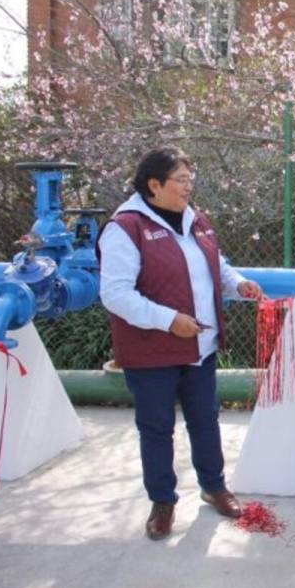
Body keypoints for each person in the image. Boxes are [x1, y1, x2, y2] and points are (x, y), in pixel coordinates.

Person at [98, 146, 262, 540]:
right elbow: (116, 294)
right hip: (151, 351)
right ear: (154, 185)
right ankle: (163, 502)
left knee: (205, 419)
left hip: (199, 347)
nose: (189, 187)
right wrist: (169, 321)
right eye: (181, 180)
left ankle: (214, 486)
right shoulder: (126, 227)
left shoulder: (196, 220)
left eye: (191, 179)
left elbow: (215, 266)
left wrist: (237, 283)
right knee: (156, 427)